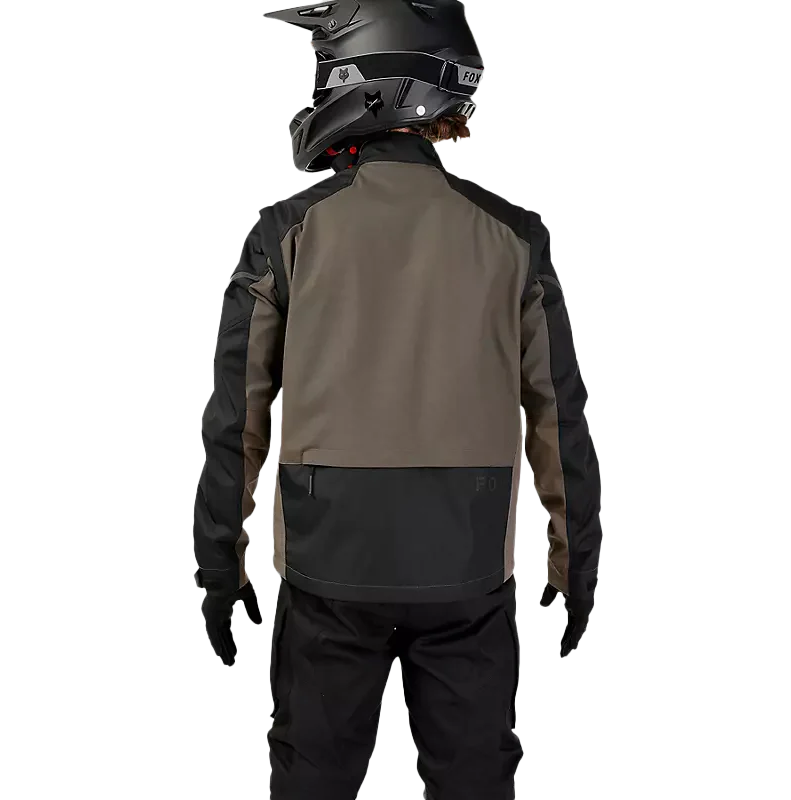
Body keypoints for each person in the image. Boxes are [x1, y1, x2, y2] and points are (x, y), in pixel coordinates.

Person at [193, 1, 602, 798]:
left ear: (371, 80)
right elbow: (561, 415)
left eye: (328, 71)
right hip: (467, 570)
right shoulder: (515, 237)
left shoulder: (285, 233)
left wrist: (218, 562)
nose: (318, 91)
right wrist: (575, 558)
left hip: (329, 569)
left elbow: (235, 419)